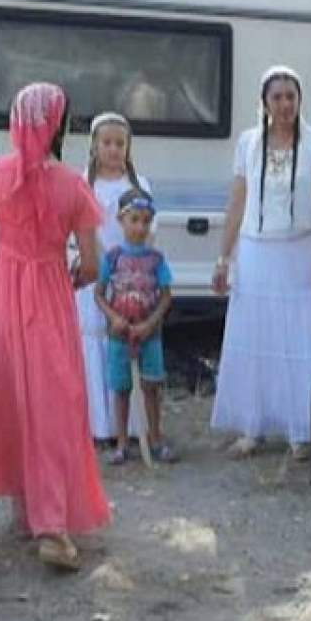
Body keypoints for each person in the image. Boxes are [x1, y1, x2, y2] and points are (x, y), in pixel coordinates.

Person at [0, 82, 109, 571]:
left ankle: (27, 513)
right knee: (53, 408)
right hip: (48, 299)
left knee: (13, 402)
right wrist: (68, 279)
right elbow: (91, 263)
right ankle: (52, 525)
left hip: (0, 297)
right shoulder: (71, 185)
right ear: (59, 125)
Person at [211, 65, 311, 460]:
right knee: (254, 338)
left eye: (290, 96)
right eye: (276, 97)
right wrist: (223, 258)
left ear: (300, 100)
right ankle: (253, 426)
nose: (284, 104)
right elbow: (237, 202)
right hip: (256, 252)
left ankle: (302, 428)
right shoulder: (249, 143)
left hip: (300, 251)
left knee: (300, 337)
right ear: (264, 102)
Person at [77, 112, 152, 442]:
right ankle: (98, 425)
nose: (113, 149)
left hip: (129, 276)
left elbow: (149, 229)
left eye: (119, 143)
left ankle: (131, 426)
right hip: (95, 275)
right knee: (93, 343)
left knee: (124, 346)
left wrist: (134, 266)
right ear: (94, 145)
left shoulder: (137, 185)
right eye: (106, 143)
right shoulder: (83, 184)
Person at [94, 189, 176, 464]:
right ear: (121, 220)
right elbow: (99, 293)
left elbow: (165, 296)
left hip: (149, 336)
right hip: (119, 336)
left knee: (151, 387)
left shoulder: (156, 260)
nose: (140, 227)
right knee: (121, 389)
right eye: (134, 220)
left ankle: (155, 438)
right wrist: (113, 318)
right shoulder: (112, 258)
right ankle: (121, 443)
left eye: (145, 221)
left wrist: (151, 323)